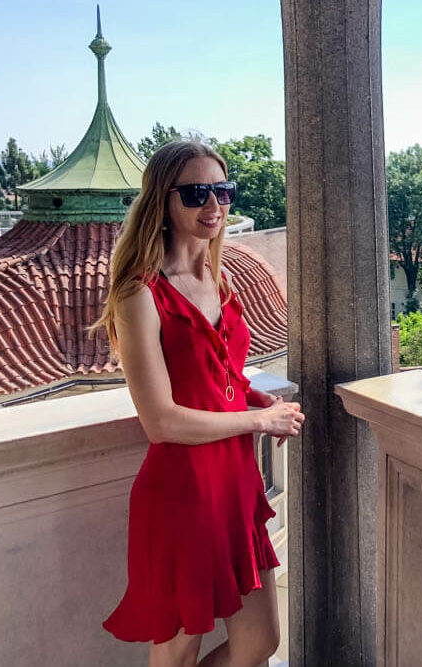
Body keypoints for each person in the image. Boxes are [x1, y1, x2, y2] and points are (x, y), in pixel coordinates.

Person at [96, 141, 304, 667]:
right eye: (196, 193)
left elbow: (220, 379)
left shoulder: (221, 279)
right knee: (178, 647)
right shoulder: (139, 292)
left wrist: (254, 398)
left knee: (260, 641)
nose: (214, 204)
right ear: (161, 202)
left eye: (222, 190)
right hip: (183, 494)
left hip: (234, 486)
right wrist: (258, 418)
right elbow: (160, 420)